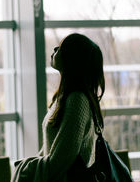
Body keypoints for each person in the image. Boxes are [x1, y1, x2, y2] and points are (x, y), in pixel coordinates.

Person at [12, 33, 105, 182]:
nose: (55, 49)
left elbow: (61, 161)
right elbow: (53, 149)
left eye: (62, 47)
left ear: (73, 58)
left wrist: (25, 168)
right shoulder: (65, 97)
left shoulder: (77, 100)